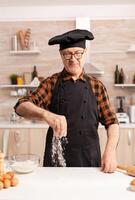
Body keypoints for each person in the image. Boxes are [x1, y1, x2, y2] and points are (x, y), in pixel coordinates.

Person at [14, 29, 119, 172]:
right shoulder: (51, 83)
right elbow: (21, 106)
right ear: (61, 56)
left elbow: (112, 122)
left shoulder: (97, 86)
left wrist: (111, 151)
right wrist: (46, 115)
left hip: (90, 162)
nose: (73, 58)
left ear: (84, 53)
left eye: (77, 53)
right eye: (67, 54)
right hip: (56, 162)